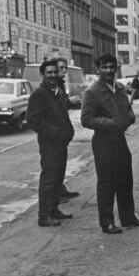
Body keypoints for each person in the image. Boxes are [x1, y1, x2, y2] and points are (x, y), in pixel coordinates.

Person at [80, 54, 139, 234]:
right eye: (105, 67)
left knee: (125, 179)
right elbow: (86, 119)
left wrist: (130, 118)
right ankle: (107, 222)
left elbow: (127, 109)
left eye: (112, 67)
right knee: (107, 183)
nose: (109, 71)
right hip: (103, 142)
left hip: (120, 140)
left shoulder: (119, 88)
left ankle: (128, 217)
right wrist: (110, 124)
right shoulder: (92, 92)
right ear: (98, 69)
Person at [26, 60, 75, 227]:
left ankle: (54, 210)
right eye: (49, 72)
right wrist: (55, 132)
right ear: (43, 74)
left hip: (61, 142)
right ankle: (44, 215)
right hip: (49, 143)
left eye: (55, 72)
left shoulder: (57, 91)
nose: (53, 75)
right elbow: (33, 120)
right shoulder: (39, 94)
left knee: (57, 178)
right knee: (49, 179)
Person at [54, 56, 80, 203]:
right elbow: (55, 106)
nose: (63, 71)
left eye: (65, 68)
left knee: (61, 163)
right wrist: (69, 101)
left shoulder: (60, 84)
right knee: (54, 166)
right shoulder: (53, 86)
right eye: (60, 68)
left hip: (62, 132)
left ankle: (61, 190)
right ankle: (56, 195)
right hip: (55, 133)